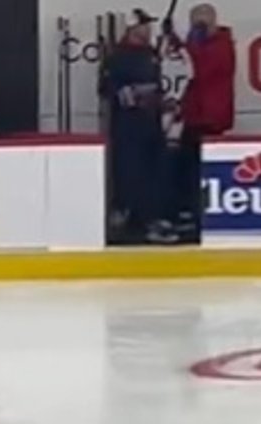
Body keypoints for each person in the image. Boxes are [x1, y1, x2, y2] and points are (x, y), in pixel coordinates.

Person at [164, 4, 236, 237]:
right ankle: (188, 211)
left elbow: (200, 68)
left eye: (201, 22)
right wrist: (173, 39)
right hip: (195, 115)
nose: (197, 27)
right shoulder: (201, 45)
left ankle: (198, 213)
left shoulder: (222, 46)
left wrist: (186, 44)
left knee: (200, 169)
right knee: (185, 167)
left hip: (211, 117)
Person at [100, 14, 166, 244]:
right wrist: (133, 94)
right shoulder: (118, 56)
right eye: (144, 25)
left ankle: (151, 217)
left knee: (153, 171)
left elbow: (160, 85)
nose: (148, 29)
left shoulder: (151, 54)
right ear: (132, 28)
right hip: (128, 127)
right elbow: (107, 89)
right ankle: (133, 220)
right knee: (130, 172)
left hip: (151, 124)